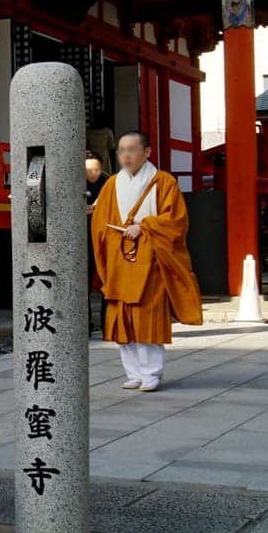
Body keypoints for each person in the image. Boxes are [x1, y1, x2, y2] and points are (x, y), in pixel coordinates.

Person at [91, 130, 201, 391]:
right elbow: (99, 224)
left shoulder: (163, 182)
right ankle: (133, 373)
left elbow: (176, 221)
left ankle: (151, 373)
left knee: (147, 316)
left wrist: (145, 227)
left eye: (131, 149)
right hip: (120, 260)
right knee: (121, 319)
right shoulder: (111, 185)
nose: (126, 155)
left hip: (149, 259)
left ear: (147, 152)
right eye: (121, 150)